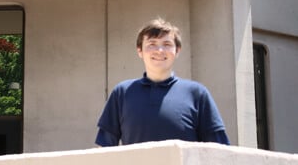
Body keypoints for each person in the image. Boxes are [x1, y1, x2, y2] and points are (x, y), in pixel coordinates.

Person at [95, 18, 230, 147]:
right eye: (152, 44)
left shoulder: (197, 94)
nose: (159, 51)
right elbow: (104, 149)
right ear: (139, 51)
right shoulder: (122, 93)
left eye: (167, 44)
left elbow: (219, 150)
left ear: (177, 51)